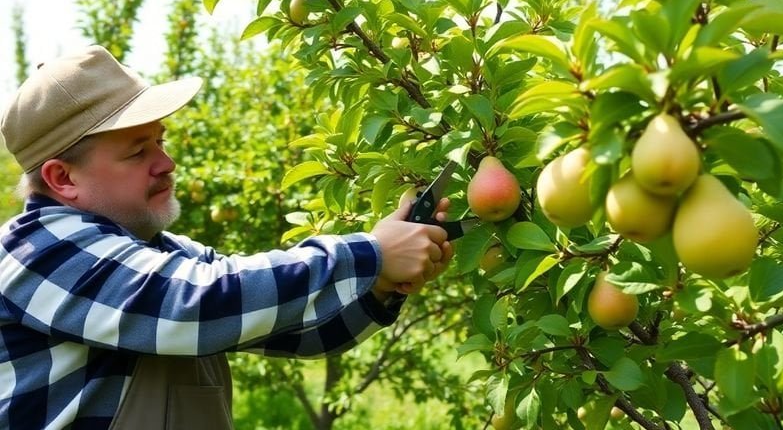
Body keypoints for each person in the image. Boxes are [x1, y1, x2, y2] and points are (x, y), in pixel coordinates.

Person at [0, 45, 454, 430]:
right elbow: (195, 304)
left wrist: (381, 282)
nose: (166, 163)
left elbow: (300, 332)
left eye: (160, 141)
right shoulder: (34, 253)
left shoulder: (161, 254)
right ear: (63, 178)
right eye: (138, 152)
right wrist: (369, 254)